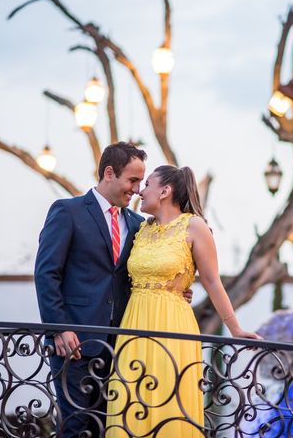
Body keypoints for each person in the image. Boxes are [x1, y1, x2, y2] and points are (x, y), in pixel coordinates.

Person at [34, 142, 192, 437]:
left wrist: (175, 288)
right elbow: (46, 274)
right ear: (109, 172)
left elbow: (144, 271)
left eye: (141, 182)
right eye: (132, 180)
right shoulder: (67, 211)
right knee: (76, 426)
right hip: (75, 344)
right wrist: (59, 328)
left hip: (122, 347)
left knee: (109, 427)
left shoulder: (138, 225)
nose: (137, 189)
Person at [105, 165, 261, 437]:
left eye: (148, 184)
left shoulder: (195, 226)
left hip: (172, 325)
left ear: (165, 191)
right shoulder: (142, 229)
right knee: (130, 399)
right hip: (133, 322)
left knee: (167, 399)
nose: (141, 190)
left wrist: (235, 329)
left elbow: (213, 281)